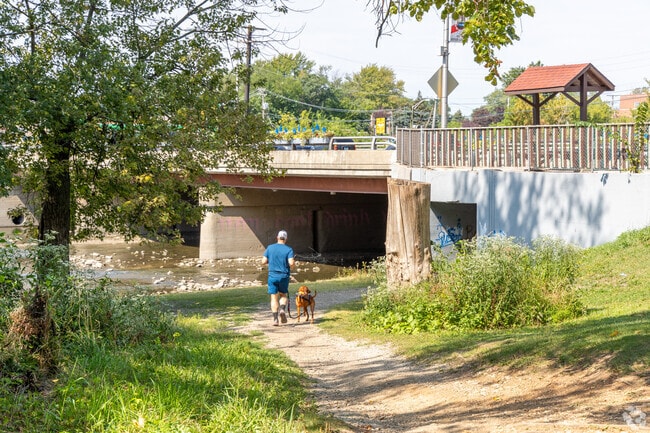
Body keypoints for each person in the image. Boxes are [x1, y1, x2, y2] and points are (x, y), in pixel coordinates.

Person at [261, 230, 295, 326]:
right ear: (286, 239)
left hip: (272, 276)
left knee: (273, 298)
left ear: (277, 237)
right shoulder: (289, 249)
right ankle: (282, 310)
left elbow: (263, 261)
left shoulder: (270, 248)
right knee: (283, 295)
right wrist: (292, 266)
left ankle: (275, 320)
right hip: (284, 276)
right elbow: (291, 263)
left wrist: (270, 261)